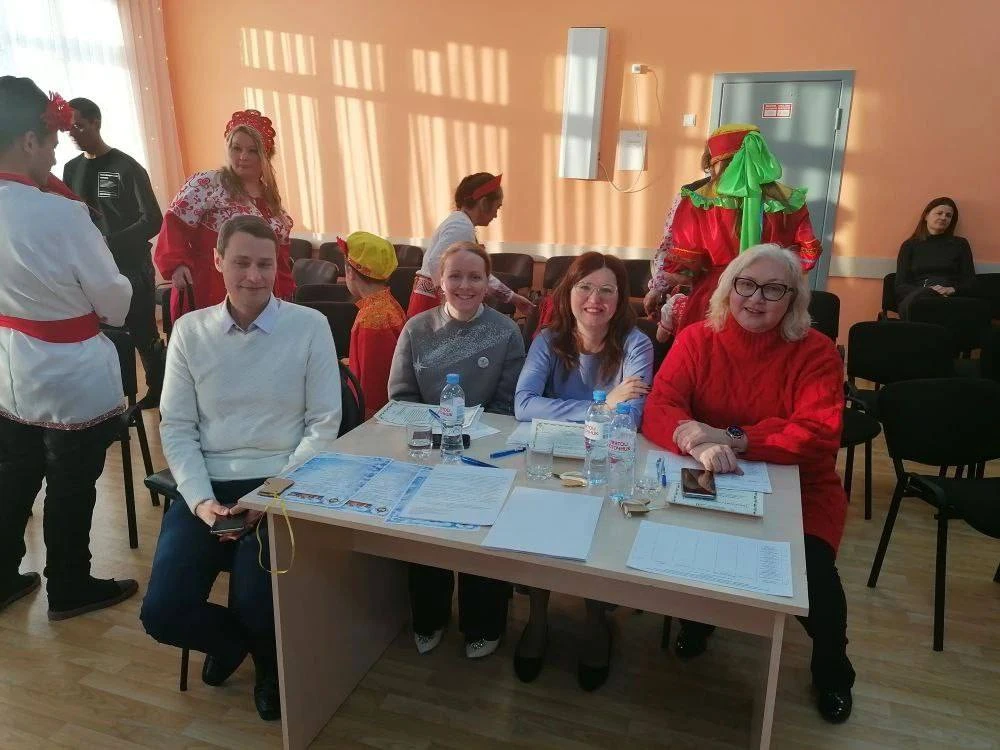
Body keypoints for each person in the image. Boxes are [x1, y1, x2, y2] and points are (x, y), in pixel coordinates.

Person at [642, 244, 855, 724]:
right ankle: (699, 622)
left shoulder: (816, 352)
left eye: (773, 289)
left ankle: (833, 667)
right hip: (710, 473)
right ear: (729, 287)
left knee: (814, 579)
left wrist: (732, 438)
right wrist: (693, 439)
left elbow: (817, 433)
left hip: (800, 488)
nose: (756, 299)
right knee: (690, 546)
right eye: (747, 284)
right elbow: (660, 406)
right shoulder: (697, 338)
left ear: (793, 299)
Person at [140, 215, 342, 721]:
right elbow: (177, 427)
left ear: (278, 265)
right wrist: (200, 501)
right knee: (161, 613)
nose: (254, 276)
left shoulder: (309, 326)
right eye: (241, 263)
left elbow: (323, 425)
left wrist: (269, 496)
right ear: (218, 261)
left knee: (256, 598)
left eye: (265, 264)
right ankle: (236, 645)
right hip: (208, 485)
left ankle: (271, 666)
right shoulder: (190, 332)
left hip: (281, 482)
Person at [0, 76, 138, 619]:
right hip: (68, 369)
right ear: (29, 140)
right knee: (72, 479)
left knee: (14, 472)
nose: (57, 154)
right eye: (52, 142)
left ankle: (2, 576)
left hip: (11, 364)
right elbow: (113, 300)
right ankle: (70, 584)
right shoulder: (60, 212)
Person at [512, 251, 653, 691]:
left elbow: (633, 417)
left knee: (598, 530)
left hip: (607, 460)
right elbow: (523, 405)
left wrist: (589, 410)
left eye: (607, 290)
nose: (595, 299)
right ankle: (538, 617)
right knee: (538, 525)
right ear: (568, 292)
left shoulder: (636, 345)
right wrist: (603, 404)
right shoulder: (548, 340)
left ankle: (596, 619)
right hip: (552, 457)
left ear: (620, 299)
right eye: (585, 287)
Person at [389, 241, 526, 658]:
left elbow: (509, 405)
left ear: (487, 282)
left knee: (481, 536)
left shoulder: (506, 331)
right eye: (455, 276)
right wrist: (435, 440)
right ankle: (429, 617)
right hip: (428, 449)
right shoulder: (416, 329)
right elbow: (401, 397)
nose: (465, 286)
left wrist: (472, 440)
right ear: (439, 281)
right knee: (425, 533)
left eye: (475, 277)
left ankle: (483, 624)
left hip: (486, 451)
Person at [642, 124, 822, 339]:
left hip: (715, 295)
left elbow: (681, 267)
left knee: (709, 352)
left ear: (717, 162)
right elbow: (807, 256)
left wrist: (663, 287)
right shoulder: (788, 201)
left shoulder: (699, 202)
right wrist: (774, 275)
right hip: (772, 299)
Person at [63, 97, 166, 408]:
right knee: (102, 335)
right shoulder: (71, 169)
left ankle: (160, 392)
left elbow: (152, 219)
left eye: (79, 126)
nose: (73, 133)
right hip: (91, 270)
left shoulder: (126, 167)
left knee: (143, 332)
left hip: (131, 267)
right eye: (69, 129)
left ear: (96, 122)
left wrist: (111, 242)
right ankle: (110, 399)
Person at [154, 109, 294, 323]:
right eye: (236, 148)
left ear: (265, 155)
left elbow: (280, 258)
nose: (243, 156)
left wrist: (285, 294)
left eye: (252, 150)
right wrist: (176, 264)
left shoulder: (271, 200)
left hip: (258, 291)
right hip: (209, 288)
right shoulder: (208, 183)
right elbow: (174, 224)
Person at [406, 172, 534, 318]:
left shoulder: (460, 222)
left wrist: (512, 297)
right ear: (484, 203)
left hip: (430, 301)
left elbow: (480, 274)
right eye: (497, 207)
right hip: (432, 305)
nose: (495, 215)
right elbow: (436, 262)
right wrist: (449, 299)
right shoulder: (461, 226)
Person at [340, 230, 406, 418]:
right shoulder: (389, 303)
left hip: (374, 418)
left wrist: (366, 425)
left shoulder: (372, 318)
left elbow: (372, 384)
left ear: (350, 273)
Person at [894, 197, 975, 318]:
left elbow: (970, 282)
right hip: (919, 297)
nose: (943, 217)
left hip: (950, 298)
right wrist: (929, 291)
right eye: (939, 213)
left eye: (948, 215)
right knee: (924, 303)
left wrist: (951, 289)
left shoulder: (960, 244)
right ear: (926, 216)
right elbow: (900, 286)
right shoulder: (909, 245)